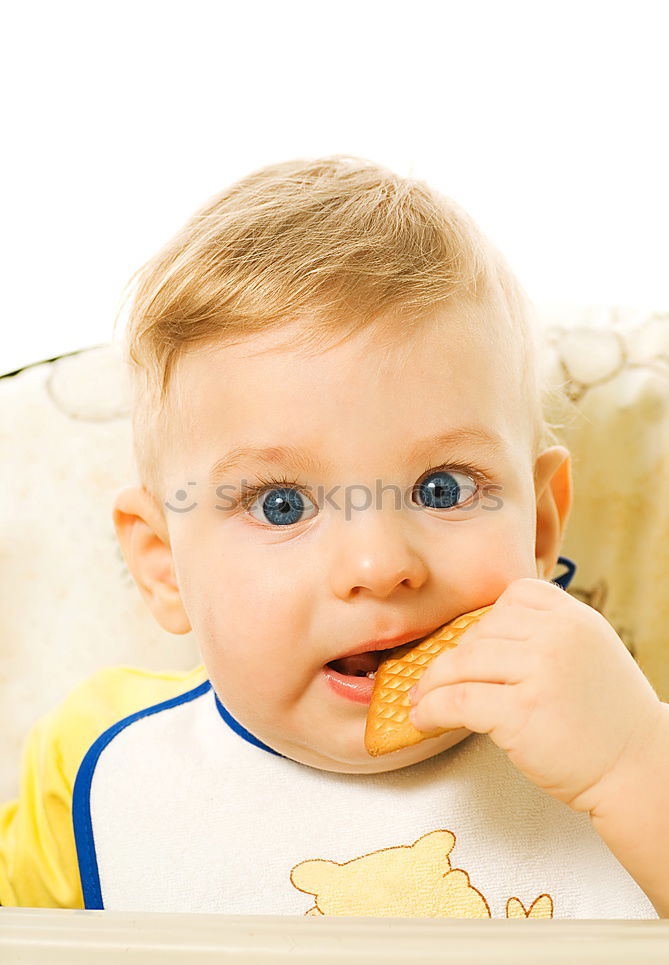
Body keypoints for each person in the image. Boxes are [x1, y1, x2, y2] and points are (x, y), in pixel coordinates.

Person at [1, 155, 667, 918]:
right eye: (281, 504)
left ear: (541, 524)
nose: (379, 565)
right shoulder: (93, 766)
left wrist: (633, 764)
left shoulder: (617, 740)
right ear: (163, 565)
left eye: (440, 489)